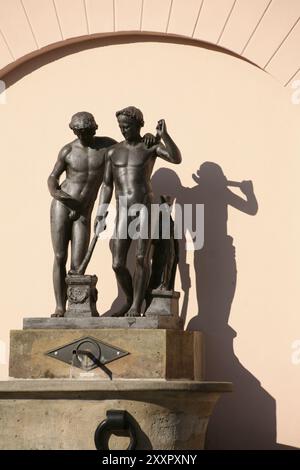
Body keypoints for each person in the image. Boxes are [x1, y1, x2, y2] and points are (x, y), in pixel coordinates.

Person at [94, 106, 182, 317]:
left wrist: (164, 136)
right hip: (123, 209)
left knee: (142, 257)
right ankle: (131, 298)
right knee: (117, 263)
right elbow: (107, 185)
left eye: (127, 126)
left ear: (139, 125)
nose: (123, 130)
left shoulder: (149, 146)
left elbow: (175, 158)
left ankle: (136, 306)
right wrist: (101, 211)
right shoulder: (113, 152)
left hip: (145, 206)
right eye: (121, 126)